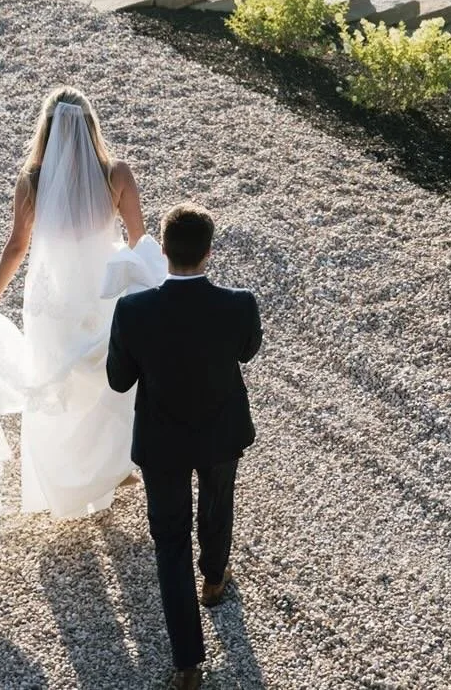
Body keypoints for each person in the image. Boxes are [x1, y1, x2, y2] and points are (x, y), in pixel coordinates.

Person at [0, 87, 165, 595]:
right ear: (91, 127)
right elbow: (139, 241)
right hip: (103, 299)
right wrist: (155, 288)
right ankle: (114, 467)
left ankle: (69, 478)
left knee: (59, 386)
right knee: (112, 380)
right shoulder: (116, 174)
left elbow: (17, 246)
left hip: (53, 306)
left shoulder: (32, 182)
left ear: (46, 132)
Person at [107, 203, 262, 690]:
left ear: (164, 252)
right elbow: (248, 351)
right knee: (217, 506)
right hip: (221, 431)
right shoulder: (240, 304)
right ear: (208, 252)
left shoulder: (133, 311)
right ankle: (214, 579)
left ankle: (187, 663)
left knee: (170, 541)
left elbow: (118, 380)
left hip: (162, 439)